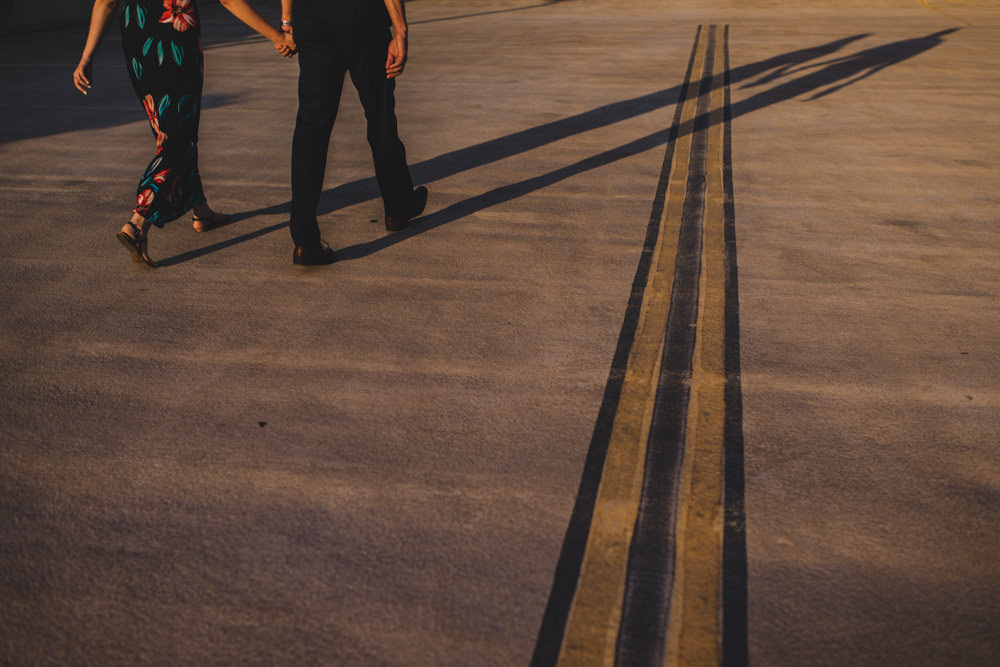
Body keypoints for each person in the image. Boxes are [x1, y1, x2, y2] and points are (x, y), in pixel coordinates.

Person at [73, 0, 296, 267]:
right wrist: (278, 36)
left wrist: (87, 56)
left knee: (172, 124)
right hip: (173, 30)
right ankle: (138, 223)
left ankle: (200, 210)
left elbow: (107, 2)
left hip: (136, 31)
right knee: (177, 133)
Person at [280, 0, 428, 265]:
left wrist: (287, 22)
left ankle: (305, 240)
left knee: (311, 125)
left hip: (310, 17)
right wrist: (401, 30)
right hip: (360, 14)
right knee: (379, 114)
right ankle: (397, 207)